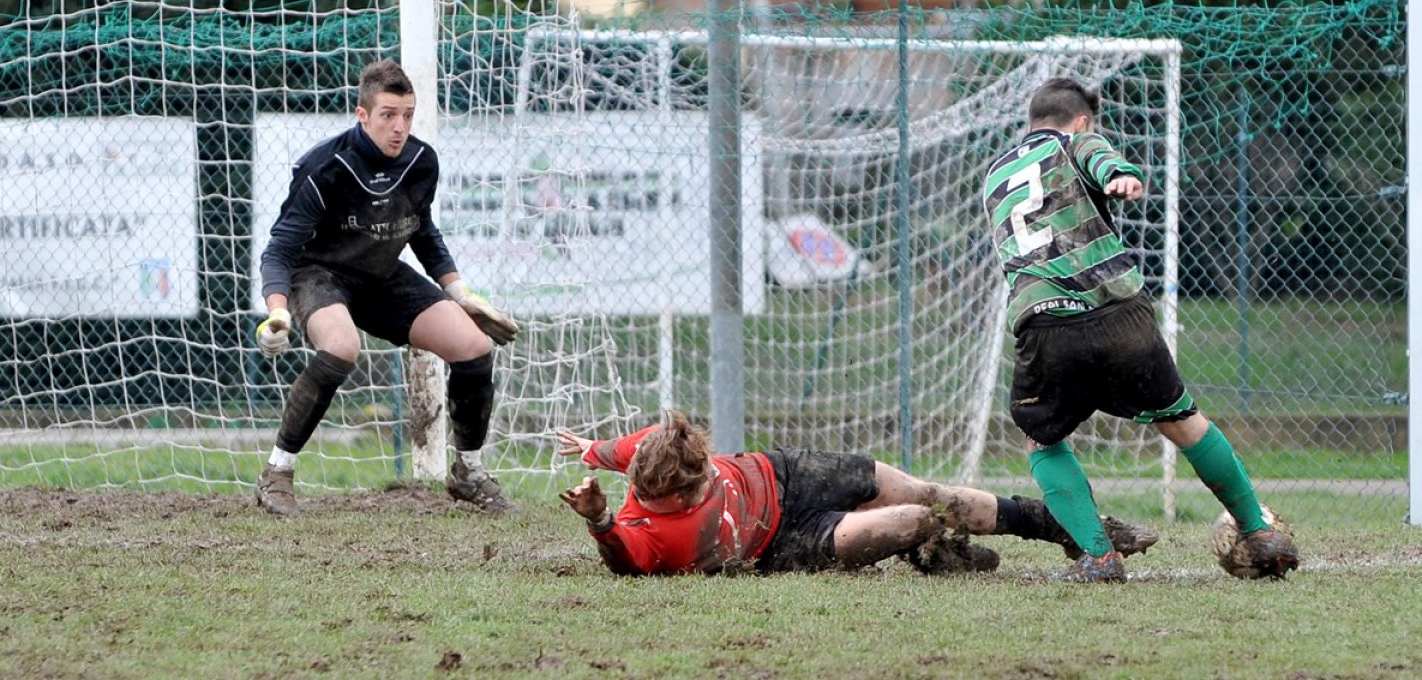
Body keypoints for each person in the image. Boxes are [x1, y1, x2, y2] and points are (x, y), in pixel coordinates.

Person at [982, 77, 1300, 582]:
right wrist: (1122, 176)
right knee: (1183, 422)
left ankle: (1099, 558)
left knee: (1040, 440)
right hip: (1119, 316)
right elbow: (1103, 159)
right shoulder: (1079, 140)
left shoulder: (996, 173)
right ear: (1082, 121)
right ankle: (1259, 530)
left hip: (1046, 324)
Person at [253, 58, 520, 516]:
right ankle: (276, 474)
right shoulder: (325, 168)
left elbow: (423, 233)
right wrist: (277, 310)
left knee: (474, 347)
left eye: (408, 115)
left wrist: (460, 295)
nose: (400, 127)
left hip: (381, 275)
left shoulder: (421, 162)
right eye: (388, 115)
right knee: (341, 348)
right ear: (363, 114)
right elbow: (278, 251)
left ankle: (468, 473)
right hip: (320, 275)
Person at [555, 412, 1158, 576]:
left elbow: (616, 447)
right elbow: (624, 561)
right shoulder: (655, 532)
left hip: (788, 473)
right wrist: (601, 520)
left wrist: (588, 447)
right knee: (911, 519)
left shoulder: (665, 452)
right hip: (782, 543)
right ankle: (932, 550)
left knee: (931, 492)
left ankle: (1070, 529)